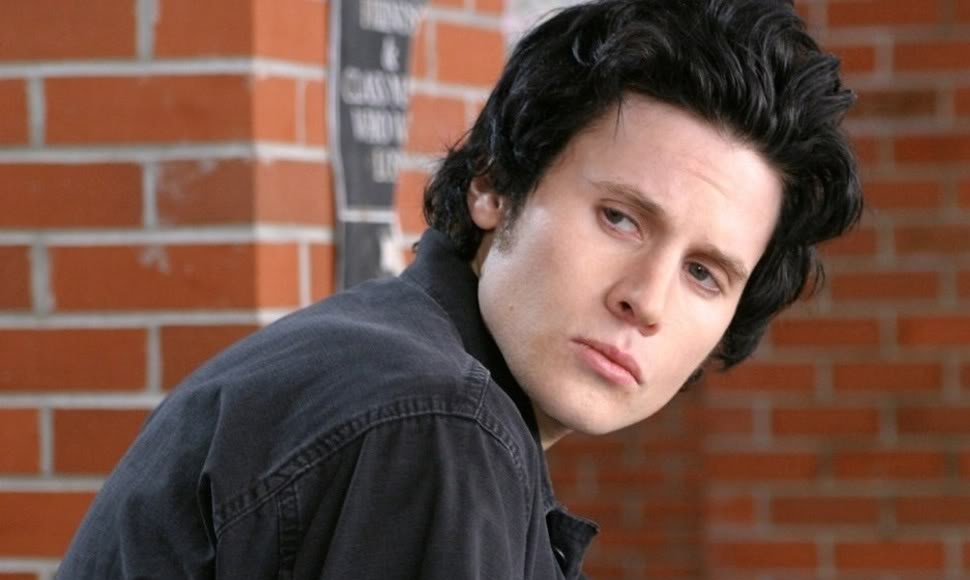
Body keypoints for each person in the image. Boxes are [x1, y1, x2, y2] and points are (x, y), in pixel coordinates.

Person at [58, 0, 862, 578]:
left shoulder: (413, 380)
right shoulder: (434, 422)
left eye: (703, 273)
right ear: (493, 183)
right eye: (620, 218)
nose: (646, 301)